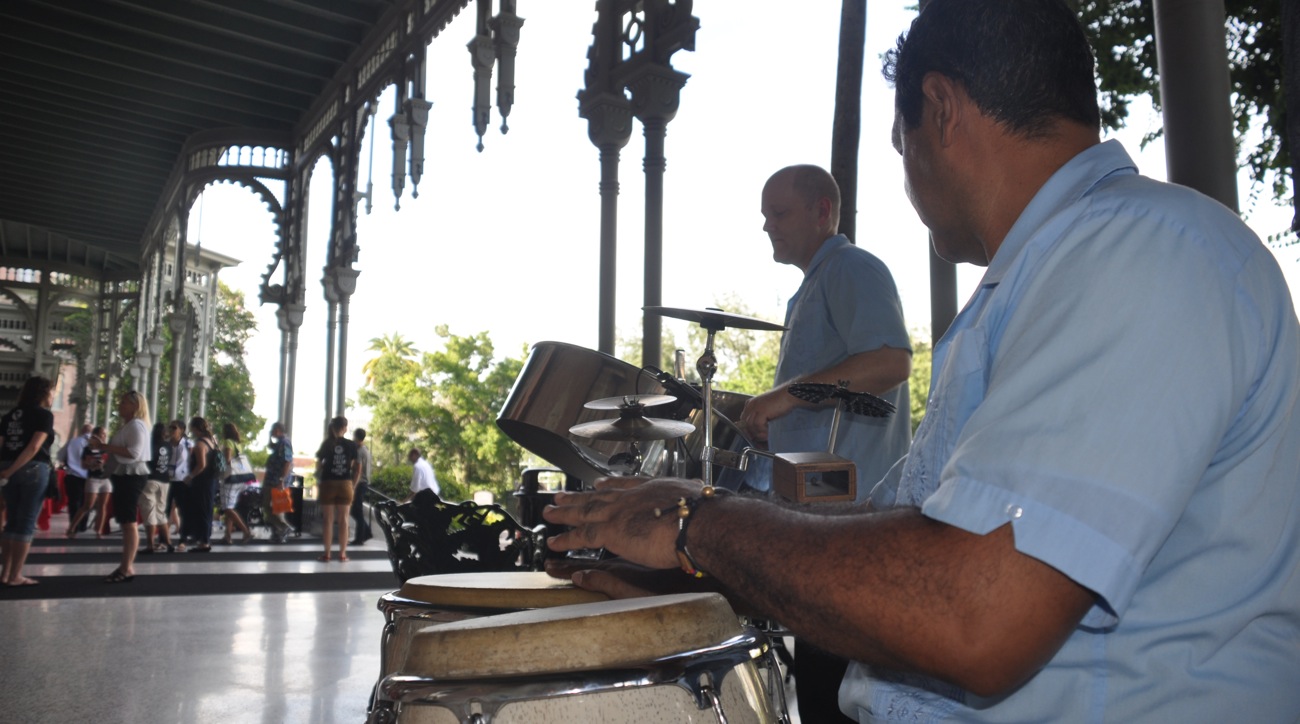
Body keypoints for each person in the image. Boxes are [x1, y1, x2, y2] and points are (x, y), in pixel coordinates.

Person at [543, 1, 1300, 721]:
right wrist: (697, 568)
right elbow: (899, 535)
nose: (907, 176)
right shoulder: (1045, 279)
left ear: (939, 108)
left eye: (901, 145)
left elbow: (975, 614)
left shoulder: (1139, 251)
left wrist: (701, 524)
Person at [736, 163, 913, 722]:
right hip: (823, 519)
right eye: (764, 215)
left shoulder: (852, 267)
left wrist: (786, 396)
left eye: (780, 213)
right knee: (818, 689)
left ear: (822, 211)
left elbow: (890, 361)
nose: (768, 226)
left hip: (851, 522)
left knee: (834, 697)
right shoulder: (810, 287)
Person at [0, 375, 56, 586]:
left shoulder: (9, 416)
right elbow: (34, 447)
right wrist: (15, 468)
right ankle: (15, 575)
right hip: (32, 470)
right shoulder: (44, 415)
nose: (53, 395)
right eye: (52, 391)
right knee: (25, 523)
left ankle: (4, 573)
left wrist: (6, 470)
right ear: (44, 393)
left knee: (11, 522)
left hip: (6, 468)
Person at [99, 390, 151, 583]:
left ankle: (126, 566)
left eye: (124, 402)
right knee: (126, 521)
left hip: (132, 475)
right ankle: (125, 565)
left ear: (135, 406)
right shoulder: (130, 426)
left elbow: (134, 453)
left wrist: (105, 447)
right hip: (125, 474)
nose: (120, 405)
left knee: (129, 522)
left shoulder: (136, 425)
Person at [314, 416, 360, 562]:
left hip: (328, 483)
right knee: (344, 520)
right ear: (345, 428)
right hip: (345, 483)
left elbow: (319, 465)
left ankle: (327, 554)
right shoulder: (351, 445)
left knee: (328, 520)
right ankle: (342, 554)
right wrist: (353, 484)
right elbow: (356, 467)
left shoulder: (326, 444)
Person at [181, 417, 221, 554]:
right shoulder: (213, 441)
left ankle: (203, 542)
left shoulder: (200, 445)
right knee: (208, 510)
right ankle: (205, 539)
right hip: (212, 480)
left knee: (202, 511)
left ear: (195, 428)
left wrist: (190, 476)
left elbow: (201, 465)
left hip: (202, 482)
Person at [66, 427, 110, 538]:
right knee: (87, 505)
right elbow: (83, 465)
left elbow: (112, 463)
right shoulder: (88, 449)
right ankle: (72, 527)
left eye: (105, 434)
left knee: (103, 506)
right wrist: (92, 464)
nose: (103, 436)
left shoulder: (107, 449)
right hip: (93, 478)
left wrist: (104, 464)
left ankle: (99, 531)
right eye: (101, 434)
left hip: (105, 479)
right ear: (95, 435)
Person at [138, 422, 173, 554]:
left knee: (149, 514)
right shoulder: (168, 446)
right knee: (161, 513)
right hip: (164, 481)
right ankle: (168, 542)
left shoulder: (149, 445)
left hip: (150, 480)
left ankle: (150, 545)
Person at [217, 422, 255, 544]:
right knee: (230, 506)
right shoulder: (238, 444)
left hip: (230, 479)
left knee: (227, 508)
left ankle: (246, 531)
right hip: (240, 480)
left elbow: (227, 460)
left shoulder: (228, 442)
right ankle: (227, 536)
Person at [261, 421, 294, 543]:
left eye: (273, 430)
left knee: (277, 507)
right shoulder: (279, 443)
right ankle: (279, 531)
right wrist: (270, 437)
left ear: (278, 430)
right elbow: (271, 446)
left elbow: (287, 462)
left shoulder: (285, 443)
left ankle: (284, 529)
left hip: (277, 480)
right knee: (267, 506)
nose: (272, 432)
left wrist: (282, 480)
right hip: (271, 479)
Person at [60, 423, 92, 534]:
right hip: (89, 476)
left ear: (81, 430)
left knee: (74, 502)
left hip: (72, 475)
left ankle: (74, 525)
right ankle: (83, 525)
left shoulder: (72, 441)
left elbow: (61, 456)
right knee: (87, 502)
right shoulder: (94, 443)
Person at [165, 420, 192, 550]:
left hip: (182, 480)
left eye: (174, 428)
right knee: (165, 510)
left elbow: (194, 460)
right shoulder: (166, 444)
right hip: (168, 480)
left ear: (181, 429)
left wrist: (191, 477)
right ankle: (164, 539)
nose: (171, 430)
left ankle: (183, 539)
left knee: (184, 511)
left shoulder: (188, 443)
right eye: (170, 427)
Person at [349, 428, 373, 545]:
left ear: (356, 437)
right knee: (356, 510)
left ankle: (360, 537)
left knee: (356, 510)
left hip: (360, 483)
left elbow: (358, 471)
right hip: (364, 482)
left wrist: (353, 485)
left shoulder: (359, 452)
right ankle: (366, 532)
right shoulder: (366, 450)